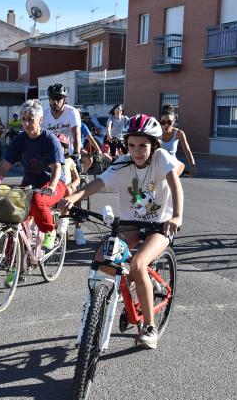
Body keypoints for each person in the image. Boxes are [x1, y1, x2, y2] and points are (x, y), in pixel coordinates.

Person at [59, 114, 184, 349]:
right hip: (130, 223)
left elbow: (175, 183)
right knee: (102, 258)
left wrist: (176, 216)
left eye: (143, 146)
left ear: (154, 145)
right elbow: (99, 183)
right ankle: (93, 310)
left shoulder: (161, 157)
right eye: (132, 145)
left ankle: (149, 327)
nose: (137, 151)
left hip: (160, 224)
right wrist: (74, 197)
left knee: (137, 264)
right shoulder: (123, 162)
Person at [0, 99, 67, 251]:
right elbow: (5, 165)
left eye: (30, 120)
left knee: (37, 200)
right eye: (23, 120)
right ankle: (12, 266)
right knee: (14, 218)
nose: (26, 124)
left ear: (40, 120)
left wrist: (52, 186)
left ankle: (50, 230)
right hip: (29, 184)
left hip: (54, 183)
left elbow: (56, 168)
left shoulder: (50, 140)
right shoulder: (20, 139)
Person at [42, 84, 82, 160]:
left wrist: (77, 153)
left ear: (64, 100)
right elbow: (40, 135)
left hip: (69, 155)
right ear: (49, 99)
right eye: (52, 98)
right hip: (51, 156)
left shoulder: (72, 112)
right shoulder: (43, 113)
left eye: (58, 98)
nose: (55, 102)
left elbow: (76, 134)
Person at [56, 134, 82, 244]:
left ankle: (78, 229)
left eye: (60, 146)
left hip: (67, 188)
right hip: (54, 189)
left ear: (66, 148)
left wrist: (72, 185)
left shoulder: (69, 161)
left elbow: (77, 178)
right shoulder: (50, 160)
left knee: (77, 198)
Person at [159, 105, 196, 177]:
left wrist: (193, 166)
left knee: (172, 187)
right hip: (158, 167)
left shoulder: (179, 133)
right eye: (163, 122)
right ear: (160, 121)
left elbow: (187, 151)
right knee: (151, 187)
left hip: (172, 167)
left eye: (169, 122)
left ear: (173, 122)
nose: (166, 125)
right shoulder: (156, 133)